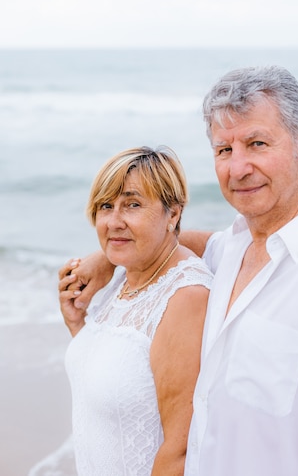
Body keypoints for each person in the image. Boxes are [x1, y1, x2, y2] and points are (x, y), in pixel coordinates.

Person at [60, 66, 298, 476]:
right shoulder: (234, 247)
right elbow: (175, 240)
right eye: (224, 150)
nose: (238, 167)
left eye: (256, 143)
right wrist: (106, 260)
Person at [59, 146, 212, 476]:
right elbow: (120, 377)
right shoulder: (123, 276)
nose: (114, 221)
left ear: (173, 214)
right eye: (105, 206)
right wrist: (79, 325)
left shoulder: (186, 297)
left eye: (132, 204)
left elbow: (182, 450)